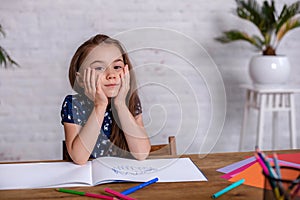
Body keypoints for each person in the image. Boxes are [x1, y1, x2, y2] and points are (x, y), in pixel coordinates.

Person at [60, 34, 151, 165]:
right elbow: (79, 158)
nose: (111, 75)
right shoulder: (73, 104)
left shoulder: (130, 100)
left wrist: (120, 104)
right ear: (80, 79)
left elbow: (141, 153)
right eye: (99, 68)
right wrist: (100, 106)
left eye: (117, 67)